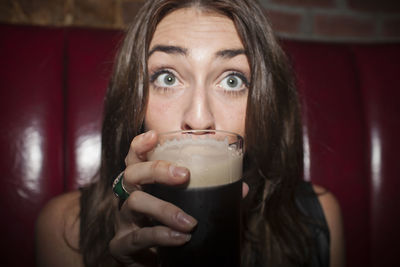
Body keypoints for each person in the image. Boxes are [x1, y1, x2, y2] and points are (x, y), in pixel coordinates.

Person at [35, 0, 345, 266]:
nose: (199, 118)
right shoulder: (66, 227)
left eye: (233, 80)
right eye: (167, 78)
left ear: (264, 103)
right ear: (134, 102)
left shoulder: (317, 221)